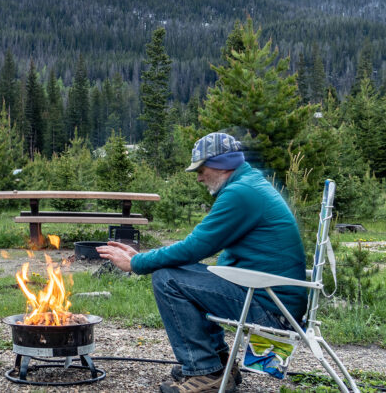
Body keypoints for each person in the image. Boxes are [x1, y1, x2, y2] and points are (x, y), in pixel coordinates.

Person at [98, 132, 307, 393]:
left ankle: (206, 372)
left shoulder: (241, 194)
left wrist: (137, 263)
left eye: (201, 168)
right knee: (180, 274)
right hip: (270, 296)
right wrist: (141, 258)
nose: (198, 176)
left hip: (273, 309)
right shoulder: (248, 185)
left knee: (167, 278)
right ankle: (218, 363)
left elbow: (194, 247)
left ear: (222, 164)